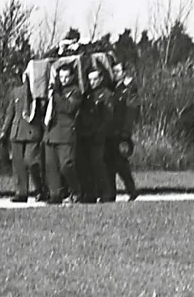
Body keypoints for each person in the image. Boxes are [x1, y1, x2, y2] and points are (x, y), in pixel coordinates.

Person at [0, 74, 44, 203]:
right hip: (17, 130)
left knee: (31, 161)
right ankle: (21, 192)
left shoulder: (38, 91)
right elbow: (10, 113)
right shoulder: (16, 91)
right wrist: (4, 130)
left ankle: (40, 189)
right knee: (18, 164)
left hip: (32, 130)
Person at [42, 62, 82, 204]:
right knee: (51, 166)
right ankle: (55, 195)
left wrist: (57, 94)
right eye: (61, 77)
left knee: (66, 165)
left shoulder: (75, 91)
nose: (64, 79)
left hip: (65, 133)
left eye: (66, 77)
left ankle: (76, 190)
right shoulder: (55, 92)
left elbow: (69, 107)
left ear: (72, 77)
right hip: (51, 132)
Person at [80, 65, 117, 202]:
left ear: (101, 78)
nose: (93, 82)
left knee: (99, 164)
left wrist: (99, 134)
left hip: (101, 136)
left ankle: (106, 193)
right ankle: (92, 193)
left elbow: (108, 118)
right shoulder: (88, 95)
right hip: (88, 135)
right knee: (89, 165)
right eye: (90, 80)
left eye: (95, 79)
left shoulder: (107, 95)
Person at [108, 62, 139, 201]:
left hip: (121, 132)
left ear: (124, 72)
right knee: (110, 164)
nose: (115, 74)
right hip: (110, 131)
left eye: (118, 71)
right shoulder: (113, 88)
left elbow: (131, 111)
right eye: (113, 71)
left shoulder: (128, 89)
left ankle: (131, 190)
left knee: (121, 164)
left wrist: (126, 133)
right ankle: (110, 194)